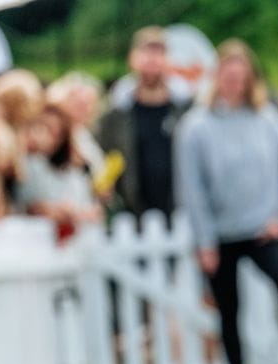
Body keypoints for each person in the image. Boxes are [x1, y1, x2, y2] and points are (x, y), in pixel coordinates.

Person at [175, 39, 278, 364]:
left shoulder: (269, 119)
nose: (234, 83)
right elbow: (192, 188)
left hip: (266, 228)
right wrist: (204, 241)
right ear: (216, 78)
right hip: (220, 234)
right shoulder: (196, 127)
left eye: (241, 76)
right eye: (227, 76)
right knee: (229, 309)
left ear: (251, 79)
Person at [97, 26, 193, 224]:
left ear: (169, 60)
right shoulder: (115, 112)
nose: (152, 59)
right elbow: (100, 155)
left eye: (159, 53)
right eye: (146, 52)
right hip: (131, 214)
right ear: (132, 58)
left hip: (181, 211)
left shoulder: (187, 109)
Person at [17, 104, 102, 242]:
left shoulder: (74, 170)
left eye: (58, 133)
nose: (50, 137)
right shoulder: (25, 162)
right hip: (34, 241)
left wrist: (79, 214)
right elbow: (28, 204)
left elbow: (90, 207)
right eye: (46, 128)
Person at [47, 71, 106, 177]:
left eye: (88, 103)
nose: (83, 108)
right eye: (77, 101)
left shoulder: (85, 137)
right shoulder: (51, 132)